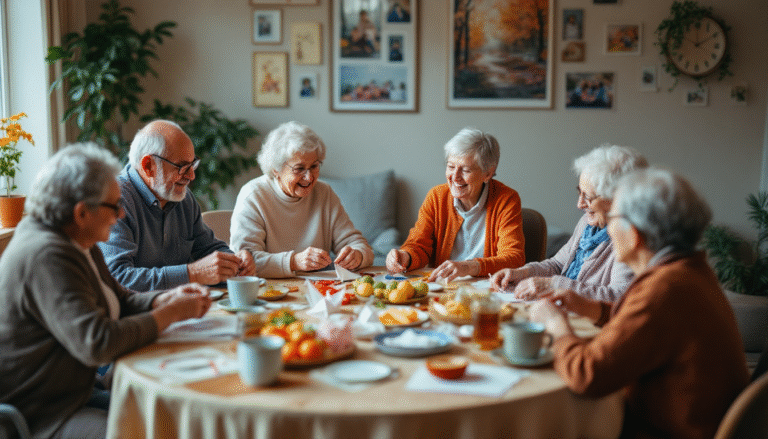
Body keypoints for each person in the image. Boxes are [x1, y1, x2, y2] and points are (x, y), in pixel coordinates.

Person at [0, 144, 212, 439]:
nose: (122, 213)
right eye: (114, 205)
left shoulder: (76, 239)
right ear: (82, 212)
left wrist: (162, 299)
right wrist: (169, 314)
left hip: (77, 393)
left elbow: (121, 300)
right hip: (42, 414)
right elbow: (98, 343)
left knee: (173, 417)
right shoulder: (46, 254)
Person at [529, 168, 749, 439]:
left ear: (634, 235)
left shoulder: (664, 289)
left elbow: (587, 375)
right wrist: (594, 309)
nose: (608, 227)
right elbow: (651, 329)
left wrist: (554, 323)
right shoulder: (690, 272)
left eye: (614, 218)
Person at [98, 120, 255, 292]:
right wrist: (191, 274)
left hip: (180, 307)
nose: (192, 176)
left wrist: (236, 262)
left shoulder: (183, 198)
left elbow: (208, 248)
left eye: (193, 164)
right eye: (182, 167)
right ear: (148, 166)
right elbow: (118, 278)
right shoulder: (115, 200)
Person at [491, 144, 647, 302]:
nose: (579, 205)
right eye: (579, 192)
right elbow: (557, 264)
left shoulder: (630, 237)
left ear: (617, 197)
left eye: (588, 197)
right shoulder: (587, 224)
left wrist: (554, 286)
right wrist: (522, 273)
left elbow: (619, 297)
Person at [230, 121, 373, 278]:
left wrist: (358, 256)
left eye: (314, 166)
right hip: (267, 291)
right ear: (276, 169)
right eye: (299, 168)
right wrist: (293, 262)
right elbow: (245, 262)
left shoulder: (324, 192)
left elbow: (358, 244)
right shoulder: (253, 195)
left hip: (318, 287)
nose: (309, 177)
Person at [386, 127, 525, 282]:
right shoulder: (436, 197)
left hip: (486, 290)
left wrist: (468, 267)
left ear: (488, 173)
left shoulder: (506, 200)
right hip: (443, 288)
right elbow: (419, 245)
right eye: (451, 167)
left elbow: (513, 258)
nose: (455, 177)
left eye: (465, 170)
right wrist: (405, 257)